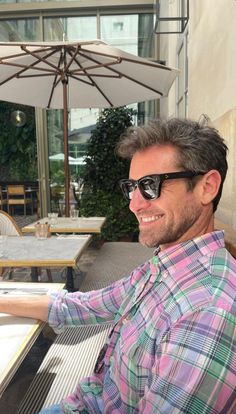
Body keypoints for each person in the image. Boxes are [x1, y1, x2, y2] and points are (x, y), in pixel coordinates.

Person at [0, 118, 235, 413]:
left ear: (207, 186)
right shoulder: (164, 267)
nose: (134, 204)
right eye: (132, 187)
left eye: (150, 185)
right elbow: (82, 306)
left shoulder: (208, 311)